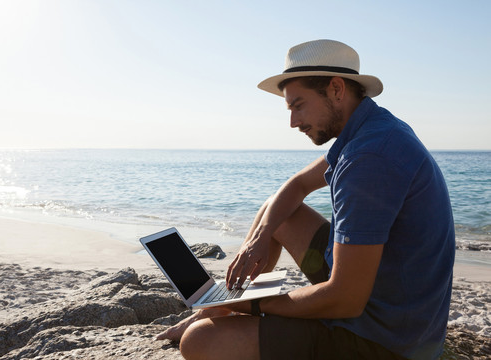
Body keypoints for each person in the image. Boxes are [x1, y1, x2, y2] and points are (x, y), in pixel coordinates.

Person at [156, 39, 455, 360]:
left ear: (337, 89)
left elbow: (346, 300)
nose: (293, 122)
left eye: (299, 105)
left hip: (384, 341)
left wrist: (248, 305)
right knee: (278, 211)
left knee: (200, 341)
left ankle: (224, 310)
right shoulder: (373, 129)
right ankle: (217, 309)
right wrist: (259, 237)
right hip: (384, 300)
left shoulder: (369, 157)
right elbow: (296, 185)